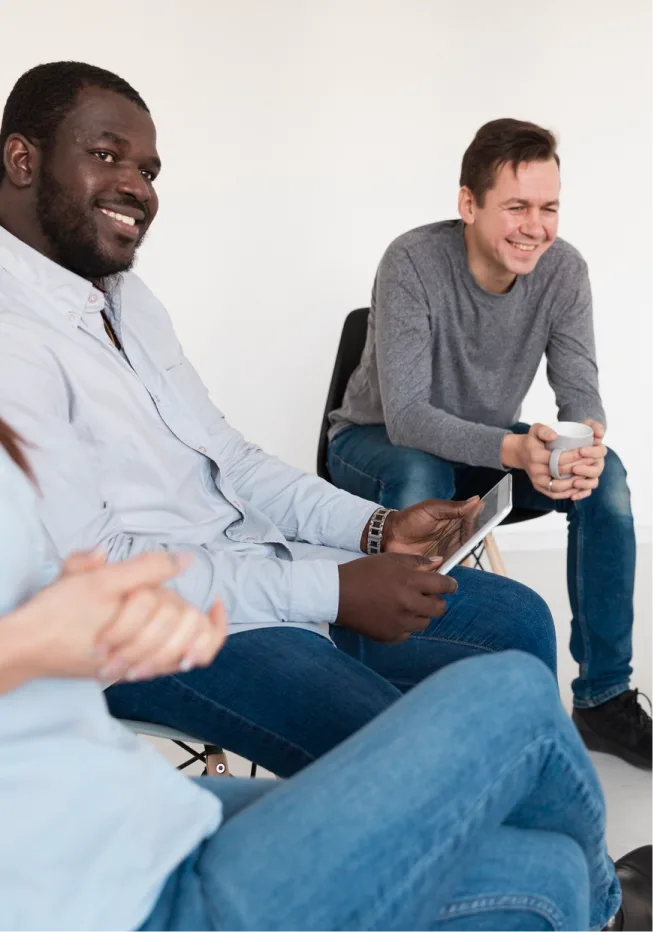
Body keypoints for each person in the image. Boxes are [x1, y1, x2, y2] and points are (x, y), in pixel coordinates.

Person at [0, 64, 556, 778]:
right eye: (107, 155)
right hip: (136, 632)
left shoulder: (125, 298)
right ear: (23, 159)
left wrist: (375, 530)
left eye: (148, 169)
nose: (138, 187)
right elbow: (92, 572)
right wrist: (331, 591)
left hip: (256, 567)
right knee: (405, 754)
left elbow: (226, 456)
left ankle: (537, 861)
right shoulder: (14, 338)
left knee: (515, 621)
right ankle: (563, 881)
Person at [1, 417, 652, 932]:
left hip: (131, 807)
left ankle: (594, 898)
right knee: (510, 700)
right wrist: (34, 640)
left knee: (552, 864)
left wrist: (374, 531)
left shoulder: (111, 307)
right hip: (104, 899)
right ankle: (602, 905)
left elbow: (231, 459)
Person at [328, 118, 651, 769]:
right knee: (421, 473)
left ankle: (602, 698)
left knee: (606, 478)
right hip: (373, 440)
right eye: (516, 207)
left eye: (548, 207)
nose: (535, 225)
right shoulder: (412, 262)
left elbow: (579, 390)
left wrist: (581, 445)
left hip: (479, 450)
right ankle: (396, 692)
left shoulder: (561, 271)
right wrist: (514, 452)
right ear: (468, 204)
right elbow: (410, 418)